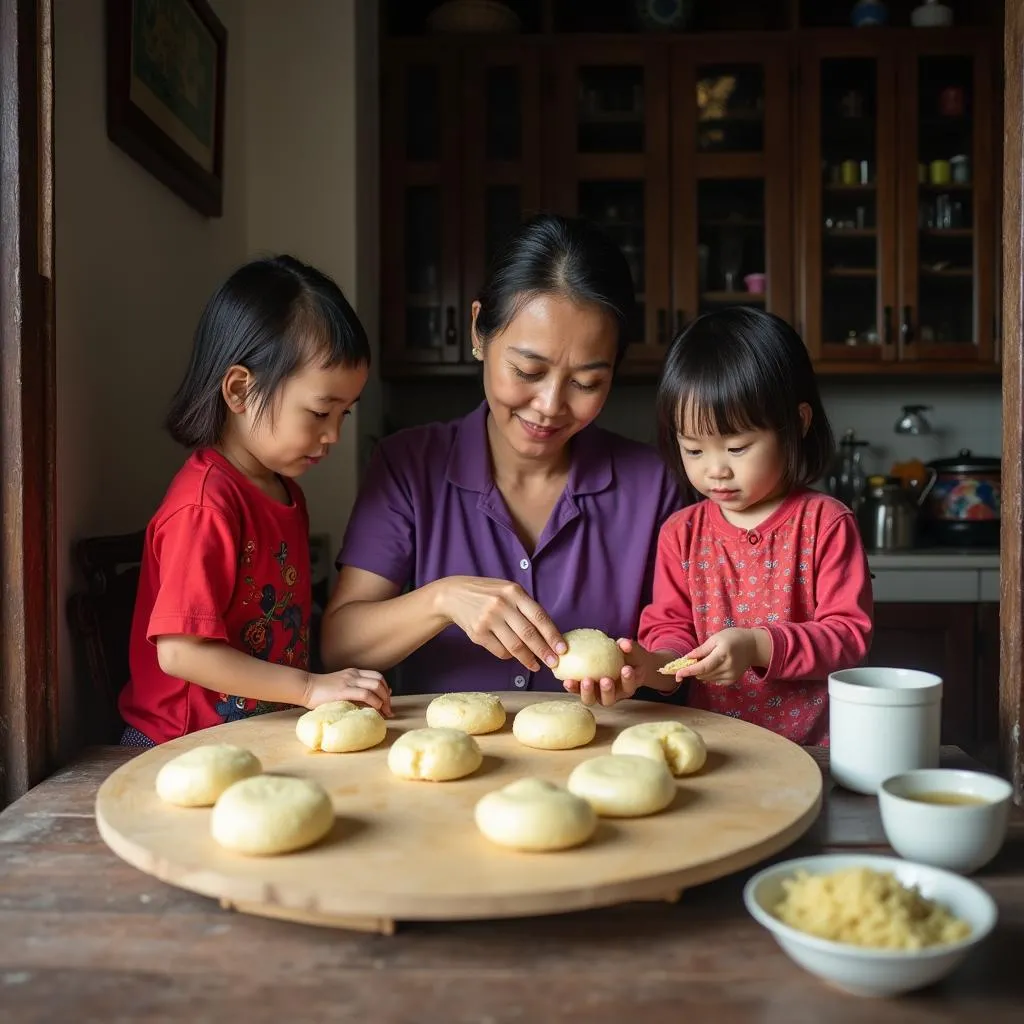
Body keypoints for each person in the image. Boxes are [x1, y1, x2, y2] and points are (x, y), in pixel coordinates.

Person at [322, 214, 683, 705]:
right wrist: (442, 599)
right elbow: (339, 644)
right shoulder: (408, 465)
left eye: (586, 383)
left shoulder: (653, 484)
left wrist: (647, 669)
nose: (550, 405)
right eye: (527, 370)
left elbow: (680, 656)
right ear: (478, 331)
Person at [118, 255, 392, 747]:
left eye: (344, 415)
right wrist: (309, 686)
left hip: (250, 734)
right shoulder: (205, 506)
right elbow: (180, 653)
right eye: (320, 411)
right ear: (241, 390)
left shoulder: (284, 491)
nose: (332, 435)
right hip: (175, 745)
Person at [620, 307, 873, 744]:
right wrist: (655, 664)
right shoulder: (680, 534)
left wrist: (758, 644)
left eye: (737, 447)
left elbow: (848, 637)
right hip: (716, 745)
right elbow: (672, 629)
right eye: (694, 450)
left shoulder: (826, 524)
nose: (715, 470)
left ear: (798, 423)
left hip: (813, 748)